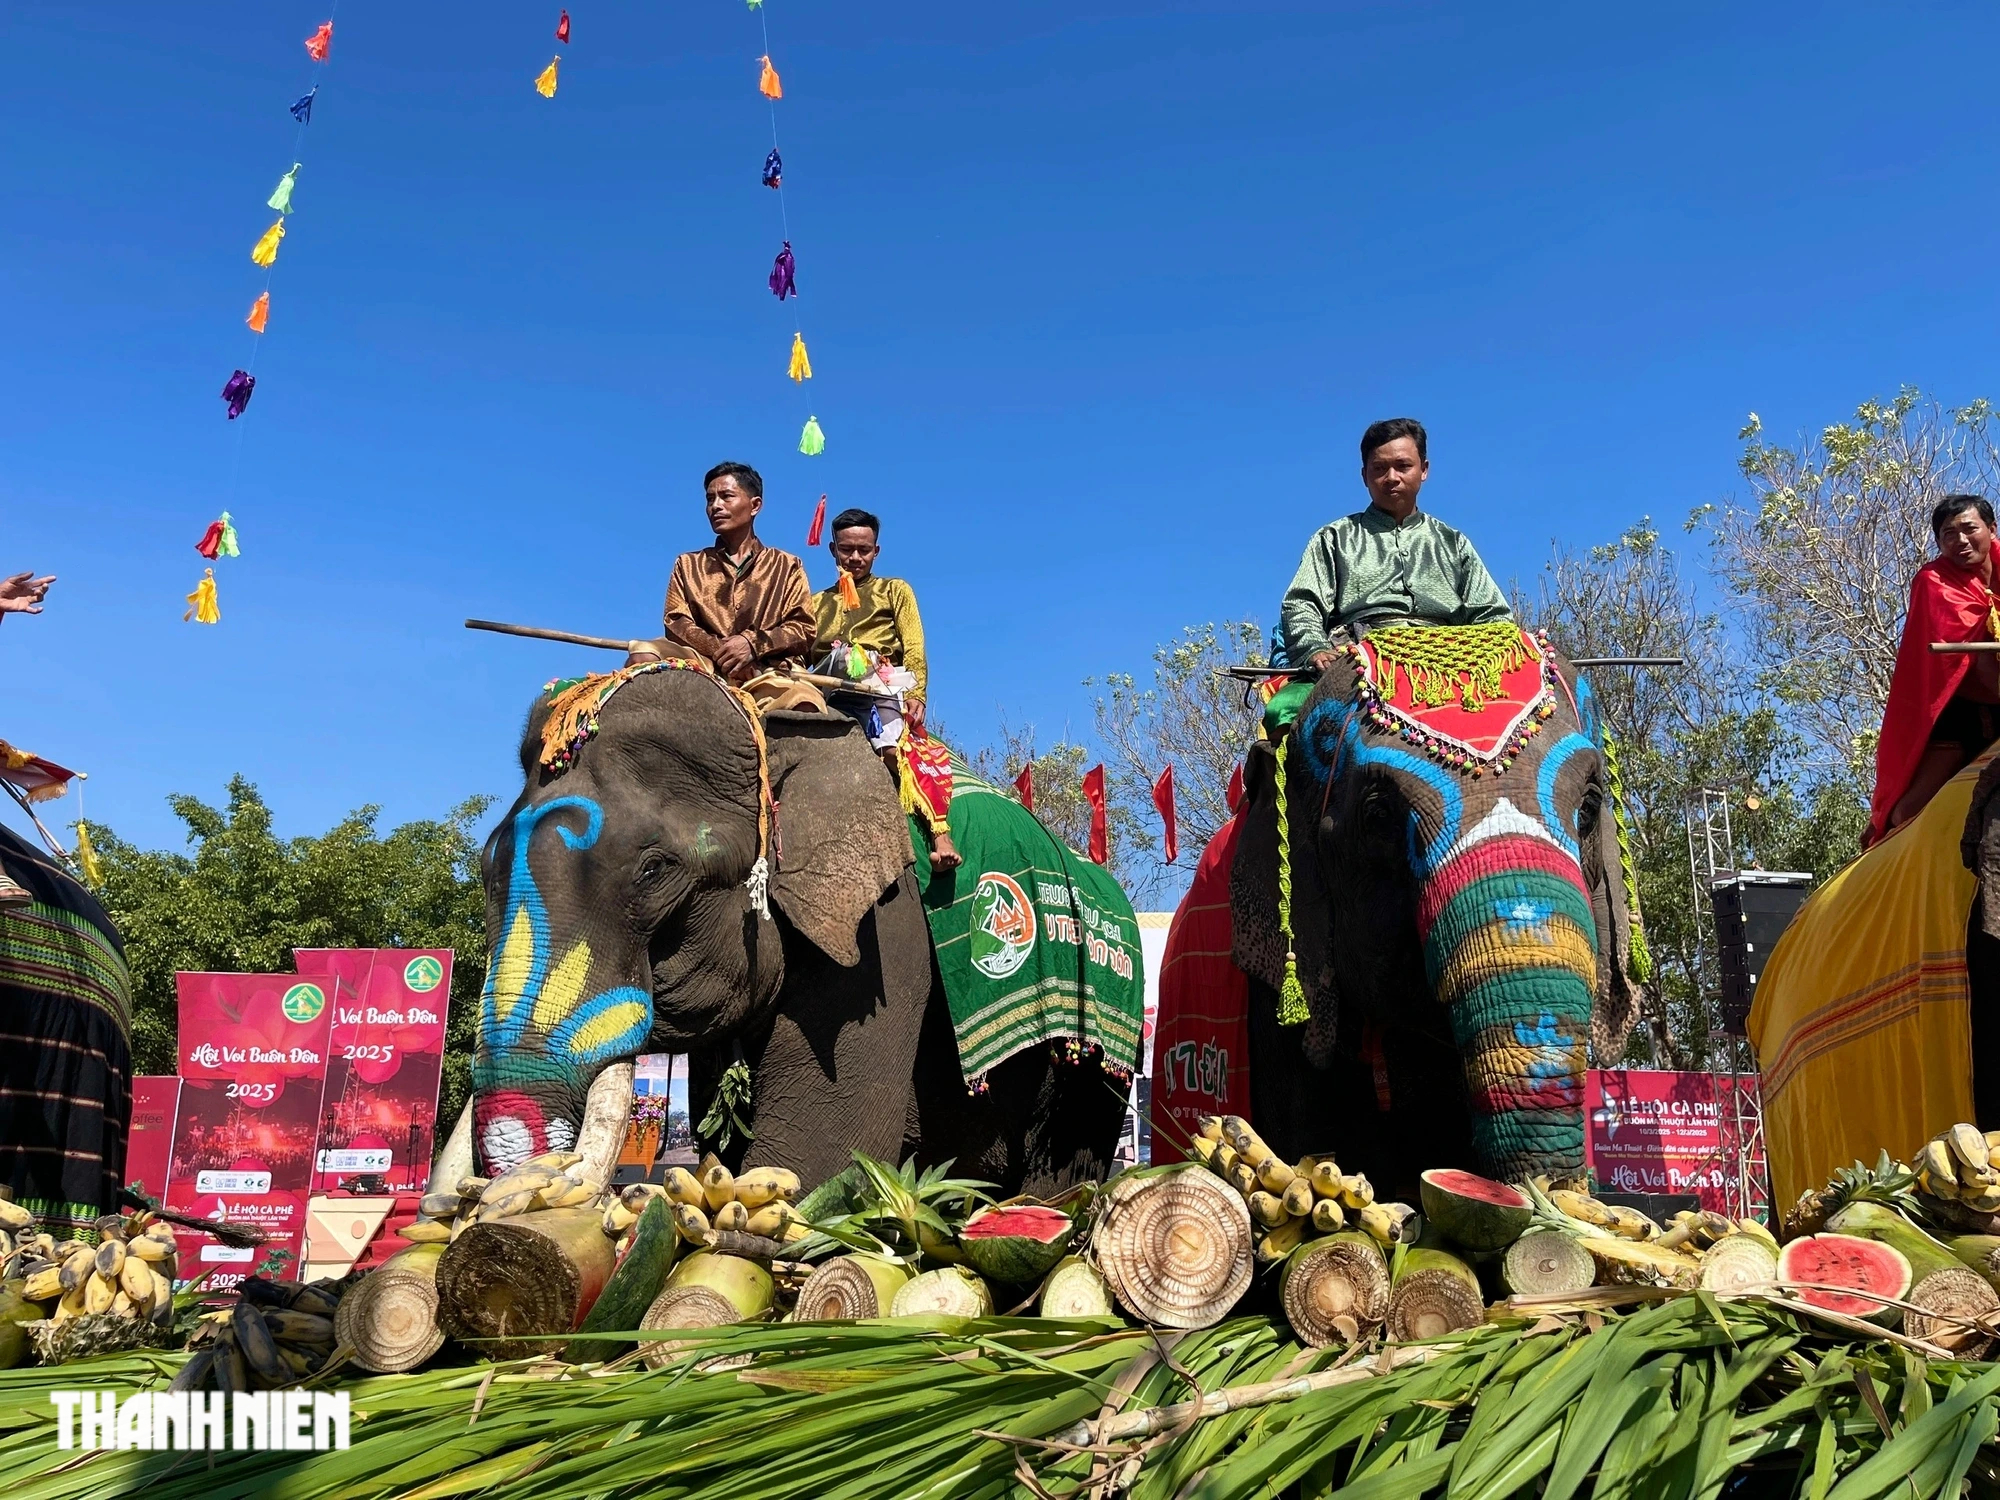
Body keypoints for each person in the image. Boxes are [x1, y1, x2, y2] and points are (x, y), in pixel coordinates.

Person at [1279, 418, 1511, 673]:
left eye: (1403, 466)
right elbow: (1302, 603)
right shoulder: (1333, 538)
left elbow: (1492, 614)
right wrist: (1313, 647)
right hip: (1359, 654)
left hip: (1450, 656)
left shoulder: (1453, 542)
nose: (1391, 478)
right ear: (1364, 475)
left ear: (1424, 469)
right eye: (1379, 468)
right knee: (1285, 709)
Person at [811, 508, 961, 870]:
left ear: (876, 551)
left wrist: (916, 693)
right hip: (825, 687)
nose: (855, 558)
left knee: (894, 749)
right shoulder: (814, 603)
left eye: (864, 550)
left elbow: (913, 645)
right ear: (833, 549)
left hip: (880, 686)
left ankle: (939, 834)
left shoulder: (895, 590)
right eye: (847, 550)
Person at [1867, 494, 2000, 844]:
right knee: (1915, 807)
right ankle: (1889, 838)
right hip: (1960, 707)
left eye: (1969, 529)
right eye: (1947, 534)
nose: (1960, 540)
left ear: (1991, 529)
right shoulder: (1934, 581)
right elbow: (1975, 665)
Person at [627, 463, 815, 682]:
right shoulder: (687, 564)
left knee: (805, 704)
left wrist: (752, 645)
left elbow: (803, 629)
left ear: (755, 506)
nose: (715, 506)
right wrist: (723, 651)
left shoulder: (787, 565)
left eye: (726, 496)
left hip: (768, 670)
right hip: (701, 663)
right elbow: (676, 622)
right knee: (642, 654)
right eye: (709, 499)